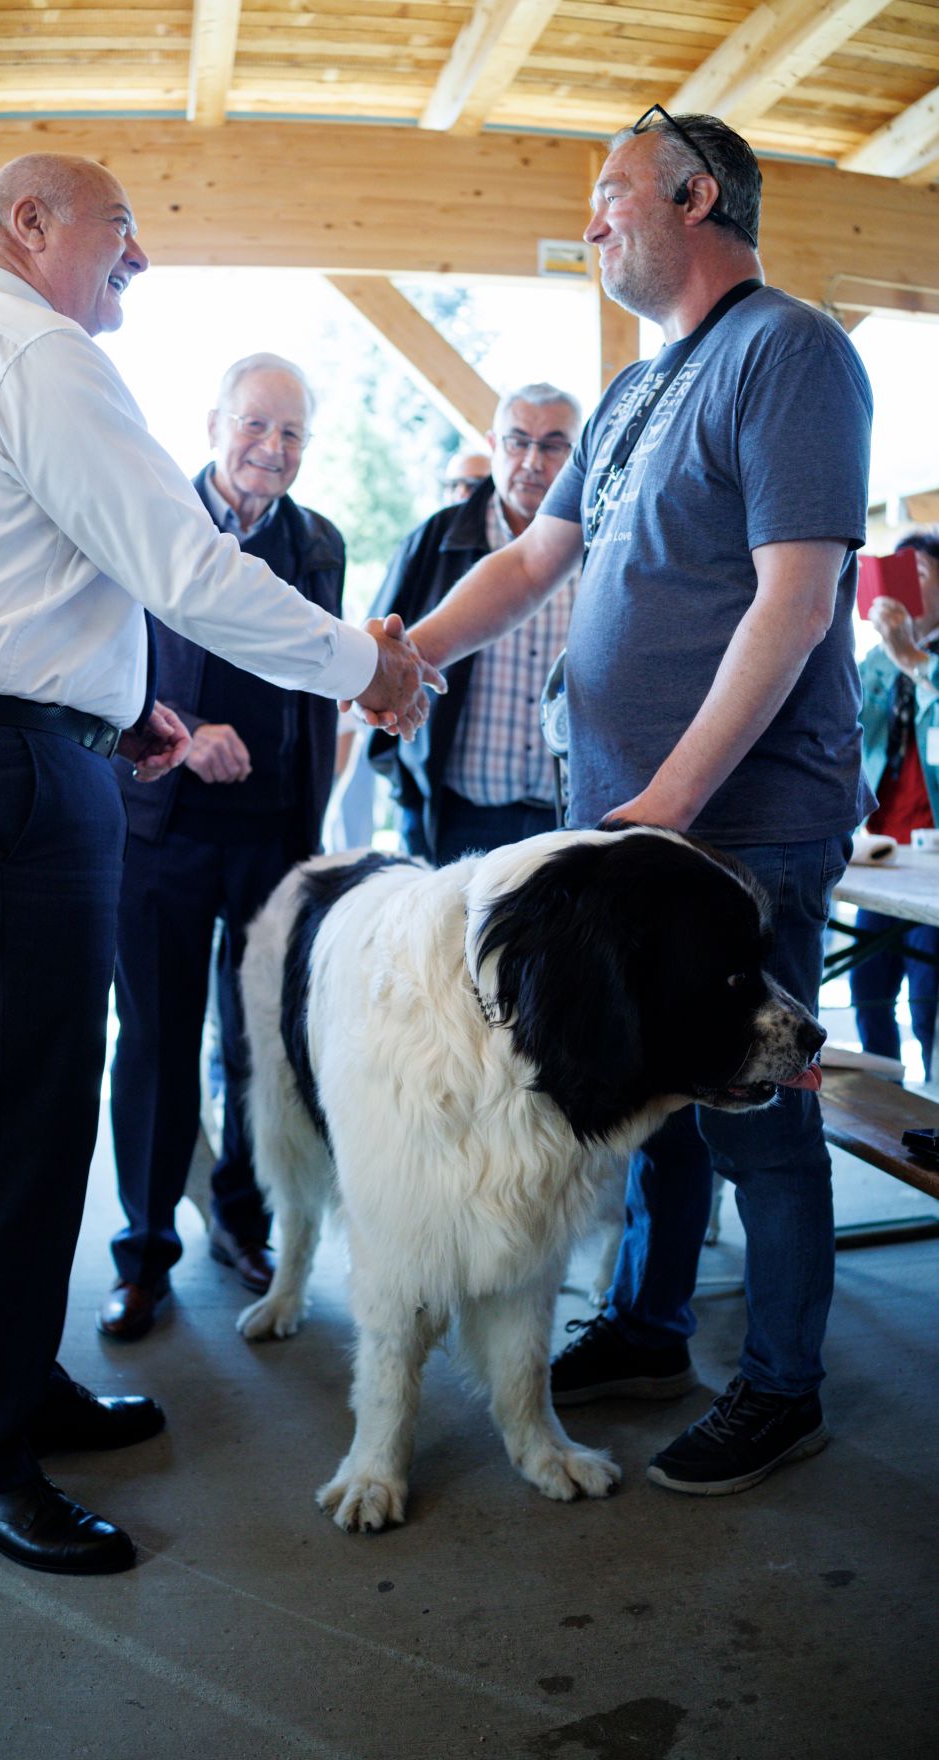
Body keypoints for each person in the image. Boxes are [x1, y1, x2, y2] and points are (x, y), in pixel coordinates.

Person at [0, 152, 440, 1577]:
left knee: (28, 1119)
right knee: (26, 1129)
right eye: (122, 228)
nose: (140, 260)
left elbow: (3, 589)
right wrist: (370, 663)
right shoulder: (29, 348)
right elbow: (183, 565)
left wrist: (118, 712)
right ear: (32, 223)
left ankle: (15, 1388)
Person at [400, 109, 874, 1495]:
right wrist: (404, 657)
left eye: (610, 194)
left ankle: (781, 1388)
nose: (594, 220)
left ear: (697, 192)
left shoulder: (789, 353)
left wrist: (665, 803)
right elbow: (537, 562)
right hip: (638, 830)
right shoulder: (625, 397)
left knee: (762, 1114)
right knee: (657, 1087)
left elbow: (796, 602)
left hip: (734, 827)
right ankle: (655, 1325)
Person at [101, 354, 345, 1340]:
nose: (272, 449)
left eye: (291, 433)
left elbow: (319, 669)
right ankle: (145, 1250)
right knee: (156, 1044)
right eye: (256, 426)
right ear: (213, 424)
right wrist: (185, 730)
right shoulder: (151, 521)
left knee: (256, 1050)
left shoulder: (317, 541)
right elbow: (104, 657)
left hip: (274, 840)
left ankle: (240, 1226)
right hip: (159, 830)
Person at [371, 384, 582, 864]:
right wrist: (407, 788)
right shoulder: (435, 538)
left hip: (567, 818)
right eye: (517, 441)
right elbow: (388, 650)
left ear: (578, 454)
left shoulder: (603, 545)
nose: (532, 460)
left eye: (552, 445)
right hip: (457, 815)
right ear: (492, 445)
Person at [851, 530, 939, 1079]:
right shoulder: (877, 664)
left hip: (932, 868)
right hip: (879, 853)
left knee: (929, 994)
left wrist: (914, 657)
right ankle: (881, 1102)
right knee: (867, 988)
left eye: (920, 575)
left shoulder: (910, 658)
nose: (904, 588)